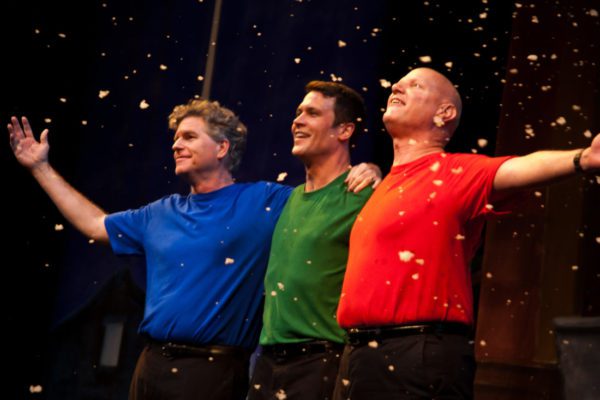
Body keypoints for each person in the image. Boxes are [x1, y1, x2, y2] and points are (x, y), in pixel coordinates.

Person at [8, 99, 376, 400]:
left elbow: (321, 194)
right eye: (175, 138)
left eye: (188, 136)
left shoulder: (265, 202)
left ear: (222, 148)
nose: (176, 145)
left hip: (213, 370)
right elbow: (94, 224)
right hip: (150, 364)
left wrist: (370, 170)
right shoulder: (160, 213)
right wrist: (41, 169)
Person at [333, 67, 600, 400]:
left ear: (445, 113)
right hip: (359, 356)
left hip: (416, 355)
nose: (397, 86)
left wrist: (584, 158)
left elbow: (519, 168)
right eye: (398, 83)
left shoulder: (456, 172)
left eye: (415, 85)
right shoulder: (386, 183)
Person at [247, 81, 379, 400]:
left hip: (321, 362)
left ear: (344, 130)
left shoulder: (364, 197)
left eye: (312, 113)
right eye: (298, 112)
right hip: (267, 362)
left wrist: (375, 170)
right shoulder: (286, 200)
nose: (298, 120)